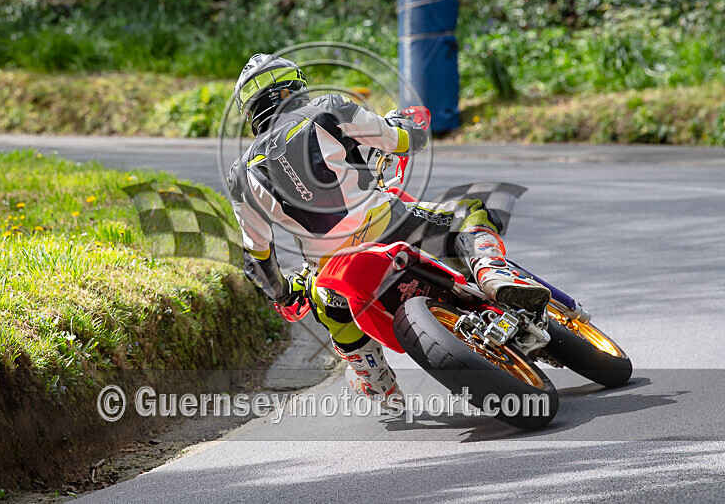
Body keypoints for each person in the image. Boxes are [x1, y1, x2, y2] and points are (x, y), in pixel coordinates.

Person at [227, 54, 550, 407]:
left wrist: (283, 295)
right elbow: (401, 140)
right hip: (388, 225)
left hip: (331, 267)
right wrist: (408, 129)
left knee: (329, 310)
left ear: (251, 110)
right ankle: (492, 271)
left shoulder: (241, 175)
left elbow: (257, 256)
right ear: (293, 87)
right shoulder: (328, 108)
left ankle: (377, 381)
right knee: (469, 212)